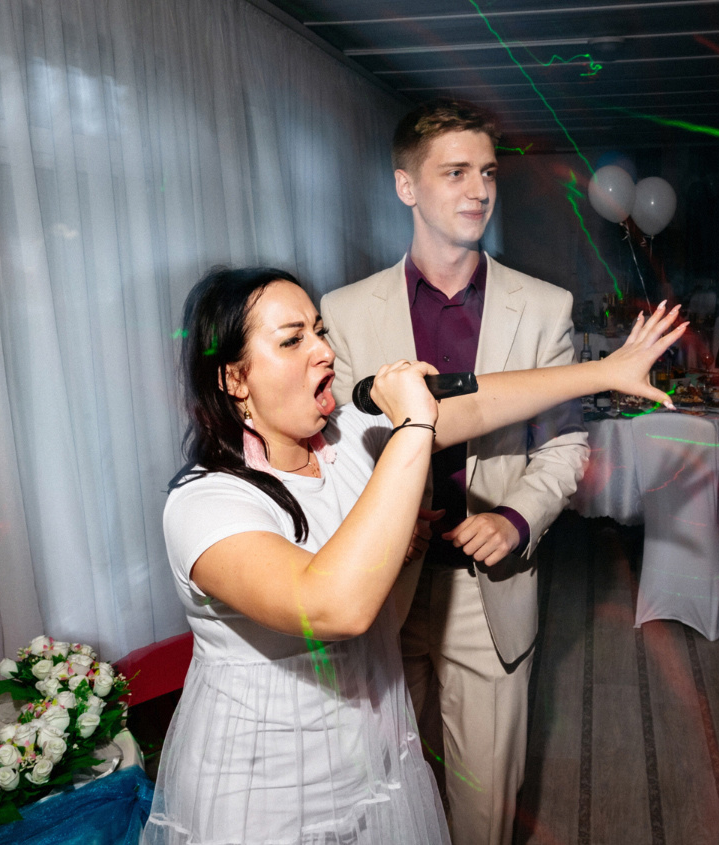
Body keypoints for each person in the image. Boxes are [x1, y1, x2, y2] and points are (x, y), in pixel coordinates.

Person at [141, 266, 685, 845]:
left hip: (371, 764)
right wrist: (413, 425)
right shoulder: (205, 503)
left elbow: (481, 406)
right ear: (234, 378)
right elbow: (332, 606)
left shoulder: (344, 438)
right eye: (293, 340)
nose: (325, 351)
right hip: (264, 792)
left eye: (319, 331)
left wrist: (604, 371)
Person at [320, 98, 589, 845]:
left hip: (487, 589)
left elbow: (564, 444)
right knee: (383, 791)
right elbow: (333, 447)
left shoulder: (545, 308)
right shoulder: (343, 311)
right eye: (456, 172)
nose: (479, 190)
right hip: (381, 587)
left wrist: (515, 518)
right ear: (406, 185)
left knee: (484, 802)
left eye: (489, 173)